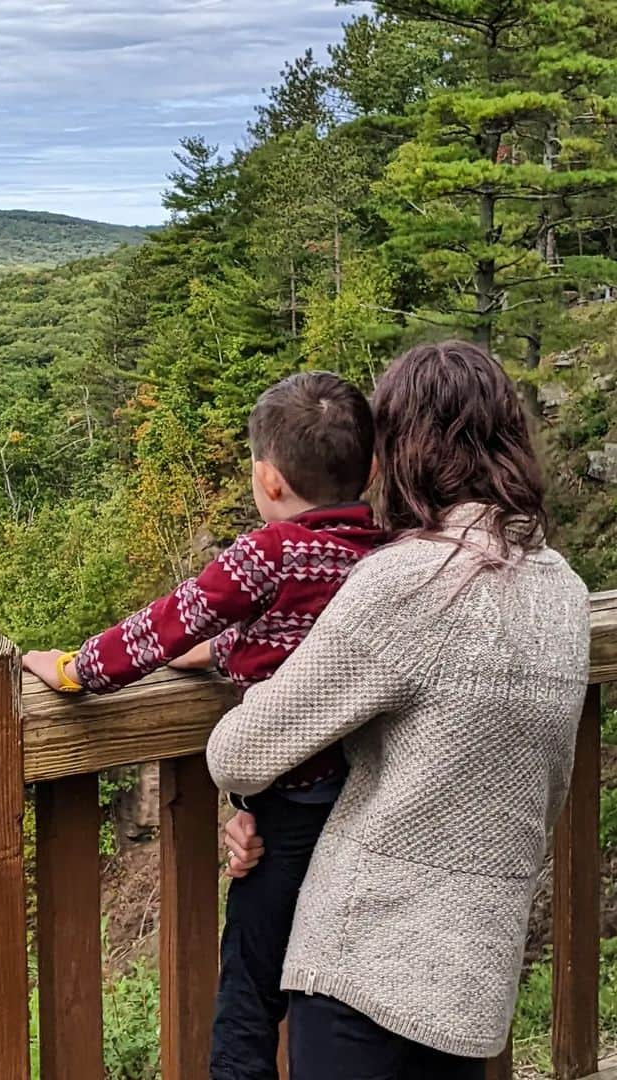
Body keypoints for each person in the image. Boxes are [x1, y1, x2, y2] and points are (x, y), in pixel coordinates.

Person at [209, 340, 591, 1080]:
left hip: (362, 963)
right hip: (476, 971)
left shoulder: (409, 584)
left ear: (401, 449)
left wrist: (258, 804)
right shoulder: (563, 593)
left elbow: (240, 751)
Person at [22, 370, 385, 1079]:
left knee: (250, 994)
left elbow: (163, 626)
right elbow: (309, 642)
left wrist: (71, 670)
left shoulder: (272, 552)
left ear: (267, 479)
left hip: (289, 808)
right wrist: (226, 651)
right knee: (334, 984)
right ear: (370, 470)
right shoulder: (383, 553)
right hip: (364, 796)